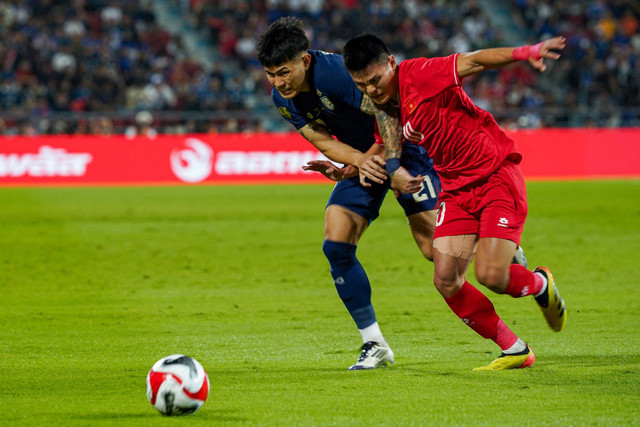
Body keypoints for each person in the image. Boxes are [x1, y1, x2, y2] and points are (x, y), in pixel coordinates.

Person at [342, 34, 567, 370]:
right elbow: (385, 145)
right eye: (362, 85)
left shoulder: (420, 73)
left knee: (491, 275)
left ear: (391, 63)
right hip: (456, 190)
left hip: (494, 176)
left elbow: (474, 60)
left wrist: (524, 52)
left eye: (375, 80)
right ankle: (515, 349)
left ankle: (539, 284)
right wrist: (346, 168)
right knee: (445, 278)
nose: (372, 90)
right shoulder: (385, 104)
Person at [256, 17, 443, 370]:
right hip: (366, 159)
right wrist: (356, 163)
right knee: (336, 241)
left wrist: (383, 165)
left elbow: (389, 114)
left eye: (284, 72)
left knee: (436, 251)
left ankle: (497, 241)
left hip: (402, 147)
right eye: (270, 75)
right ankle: (374, 343)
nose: (279, 83)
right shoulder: (283, 98)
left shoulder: (334, 75)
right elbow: (322, 140)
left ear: (305, 61)